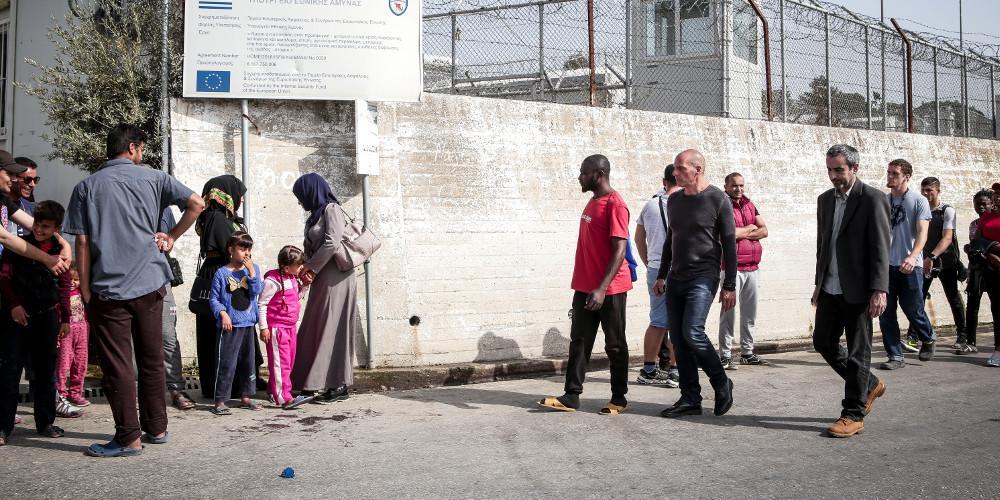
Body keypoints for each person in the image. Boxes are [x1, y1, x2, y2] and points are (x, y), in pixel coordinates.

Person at [63, 123, 205, 458]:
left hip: (109, 289)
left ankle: (128, 437)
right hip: (151, 284)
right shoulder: (155, 178)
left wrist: (84, 289)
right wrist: (171, 237)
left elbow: (81, 241)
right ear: (133, 148)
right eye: (141, 149)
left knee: (119, 365)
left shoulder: (86, 187)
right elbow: (197, 203)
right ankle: (156, 427)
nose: (142, 154)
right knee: (152, 359)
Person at [538, 154, 631, 414]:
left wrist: (601, 288)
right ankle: (571, 396)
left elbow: (620, 250)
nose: (580, 176)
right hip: (584, 286)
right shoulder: (593, 201)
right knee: (579, 341)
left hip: (609, 288)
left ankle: (619, 399)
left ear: (598, 174)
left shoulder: (616, 204)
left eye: (583, 172)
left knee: (614, 344)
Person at [811, 144, 889, 438]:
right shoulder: (824, 201)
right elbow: (823, 246)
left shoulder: (872, 199)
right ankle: (869, 384)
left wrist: (879, 289)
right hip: (830, 287)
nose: (833, 176)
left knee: (859, 352)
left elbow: (881, 247)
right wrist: (818, 284)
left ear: (854, 168)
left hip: (859, 289)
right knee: (823, 342)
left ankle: (853, 413)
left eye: (839, 170)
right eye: (829, 170)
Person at [654, 149, 735, 419]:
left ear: (697, 169)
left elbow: (730, 245)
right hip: (676, 278)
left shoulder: (717, 199)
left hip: (703, 277)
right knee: (678, 338)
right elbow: (670, 240)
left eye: (680, 168)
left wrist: (730, 285)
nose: (674, 173)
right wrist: (662, 274)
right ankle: (690, 398)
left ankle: (721, 382)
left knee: (692, 332)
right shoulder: (674, 200)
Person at [0, 200, 73, 444]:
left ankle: (46, 422)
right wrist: (14, 306)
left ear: (56, 228)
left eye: (45, 226)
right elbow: (5, 278)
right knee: (10, 371)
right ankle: (3, 427)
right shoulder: (20, 247)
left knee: (44, 373)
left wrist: (65, 318)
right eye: (37, 225)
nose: (39, 230)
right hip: (18, 318)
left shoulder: (59, 251)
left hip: (47, 317)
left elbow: (64, 286)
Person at [291, 173, 359, 404]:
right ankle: (308, 380)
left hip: (337, 275)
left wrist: (310, 267)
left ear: (312, 191)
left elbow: (332, 241)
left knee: (333, 327)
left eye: (301, 196)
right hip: (322, 275)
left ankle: (337, 384)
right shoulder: (315, 215)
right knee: (315, 325)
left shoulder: (332, 209)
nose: (300, 202)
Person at [192, 175, 249, 399]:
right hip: (221, 276)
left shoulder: (220, 218)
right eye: (239, 193)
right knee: (222, 331)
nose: (241, 199)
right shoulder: (216, 218)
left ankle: (237, 380)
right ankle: (223, 384)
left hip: (224, 274)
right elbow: (233, 249)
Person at [879, 159, 936, 370]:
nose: (890, 176)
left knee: (913, 309)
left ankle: (928, 337)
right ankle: (895, 356)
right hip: (886, 267)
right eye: (889, 172)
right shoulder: (883, 201)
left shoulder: (918, 200)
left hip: (911, 265)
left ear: (906, 176)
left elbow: (923, 233)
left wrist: (913, 257)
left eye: (895, 173)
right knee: (886, 313)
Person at [634, 164, 679, 387]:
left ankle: (648, 369)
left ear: (664, 181)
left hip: (655, 268)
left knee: (658, 321)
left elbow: (638, 239)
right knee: (680, 321)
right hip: (680, 268)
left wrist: (650, 263)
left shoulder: (650, 205)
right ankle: (675, 370)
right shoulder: (686, 204)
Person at [208, 231, 263, 415]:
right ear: (231, 249)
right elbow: (214, 299)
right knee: (227, 362)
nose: (246, 252)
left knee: (248, 362)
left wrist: (253, 273)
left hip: (248, 323)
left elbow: (256, 291)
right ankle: (221, 400)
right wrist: (223, 314)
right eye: (242, 248)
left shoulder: (253, 269)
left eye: (249, 249)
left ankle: (246, 396)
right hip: (230, 326)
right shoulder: (221, 273)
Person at [718, 172, 769, 368]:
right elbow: (727, 235)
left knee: (750, 313)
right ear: (726, 186)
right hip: (731, 269)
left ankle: (747, 353)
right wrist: (749, 229)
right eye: (734, 186)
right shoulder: (722, 205)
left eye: (741, 185)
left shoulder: (749, 204)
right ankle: (725, 355)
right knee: (728, 314)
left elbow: (765, 230)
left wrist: (743, 232)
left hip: (753, 268)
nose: (738, 189)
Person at [915, 177, 968, 351]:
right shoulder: (920, 209)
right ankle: (914, 336)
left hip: (946, 261)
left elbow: (947, 238)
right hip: (924, 261)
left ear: (938, 191)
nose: (925, 193)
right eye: (923, 190)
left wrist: (931, 256)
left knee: (953, 297)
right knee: (917, 298)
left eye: (929, 190)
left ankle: (963, 335)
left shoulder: (947, 211)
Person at [258, 245, 314, 409]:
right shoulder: (272, 282)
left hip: (290, 327)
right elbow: (262, 304)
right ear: (286, 266)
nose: (301, 267)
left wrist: (305, 285)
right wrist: (263, 327)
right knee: (280, 363)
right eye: (299, 265)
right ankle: (284, 398)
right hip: (277, 329)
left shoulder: (292, 278)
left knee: (287, 362)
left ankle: (274, 390)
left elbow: (297, 297)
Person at [159, 207, 194, 410]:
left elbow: (169, 245)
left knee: (168, 335)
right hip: (130, 279)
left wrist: (165, 241)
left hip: (161, 278)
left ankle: (175, 389)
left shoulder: (164, 211)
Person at [962, 189, 995, 356]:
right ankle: (970, 342)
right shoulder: (974, 224)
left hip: (993, 270)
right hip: (976, 270)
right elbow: (974, 245)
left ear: (991, 204)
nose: (981, 207)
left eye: (984, 204)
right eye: (978, 204)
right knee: (972, 306)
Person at [970, 184, 1000, 366]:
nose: (997, 197)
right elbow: (977, 242)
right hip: (993, 269)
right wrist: (991, 252)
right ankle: (998, 349)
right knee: (997, 309)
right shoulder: (986, 218)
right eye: (996, 194)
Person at [56, 266, 89, 408]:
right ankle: (60, 394)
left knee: (80, 364)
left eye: (76, 280)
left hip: (82, 330)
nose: (72, 282)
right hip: (65, 333)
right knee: (63, 365)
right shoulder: (60, 295)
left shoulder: (82, 293)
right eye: (70, 279)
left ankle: (75, 393)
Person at [6, 157, 38, 238]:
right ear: (13, 177)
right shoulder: (2, 204)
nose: (32, 184)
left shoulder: (30, 208)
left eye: (35, 180)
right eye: (28, 180)